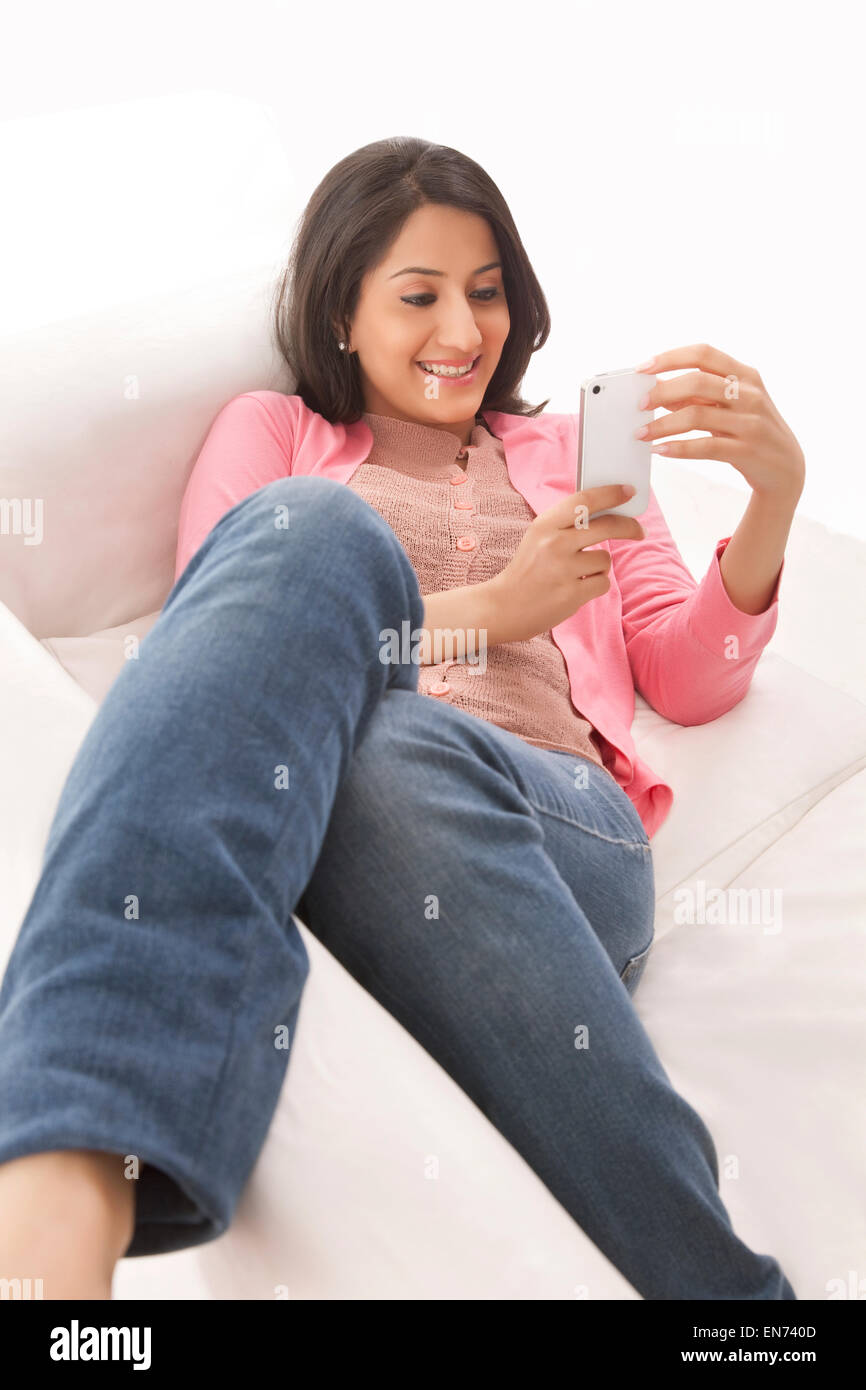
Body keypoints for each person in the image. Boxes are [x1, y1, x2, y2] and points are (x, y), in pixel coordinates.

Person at [0, 135, 804, 1300]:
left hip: (555, 823)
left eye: (484, 294)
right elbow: (222, 659)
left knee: (383, 734)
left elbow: (686, 674)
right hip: (340, 791)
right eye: (418, 295)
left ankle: (52, 1193)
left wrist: (772, 502)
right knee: (313, 557)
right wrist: (495, 608)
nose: (461, 332)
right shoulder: (273, 437)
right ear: (341, 314)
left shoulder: (563, 454)